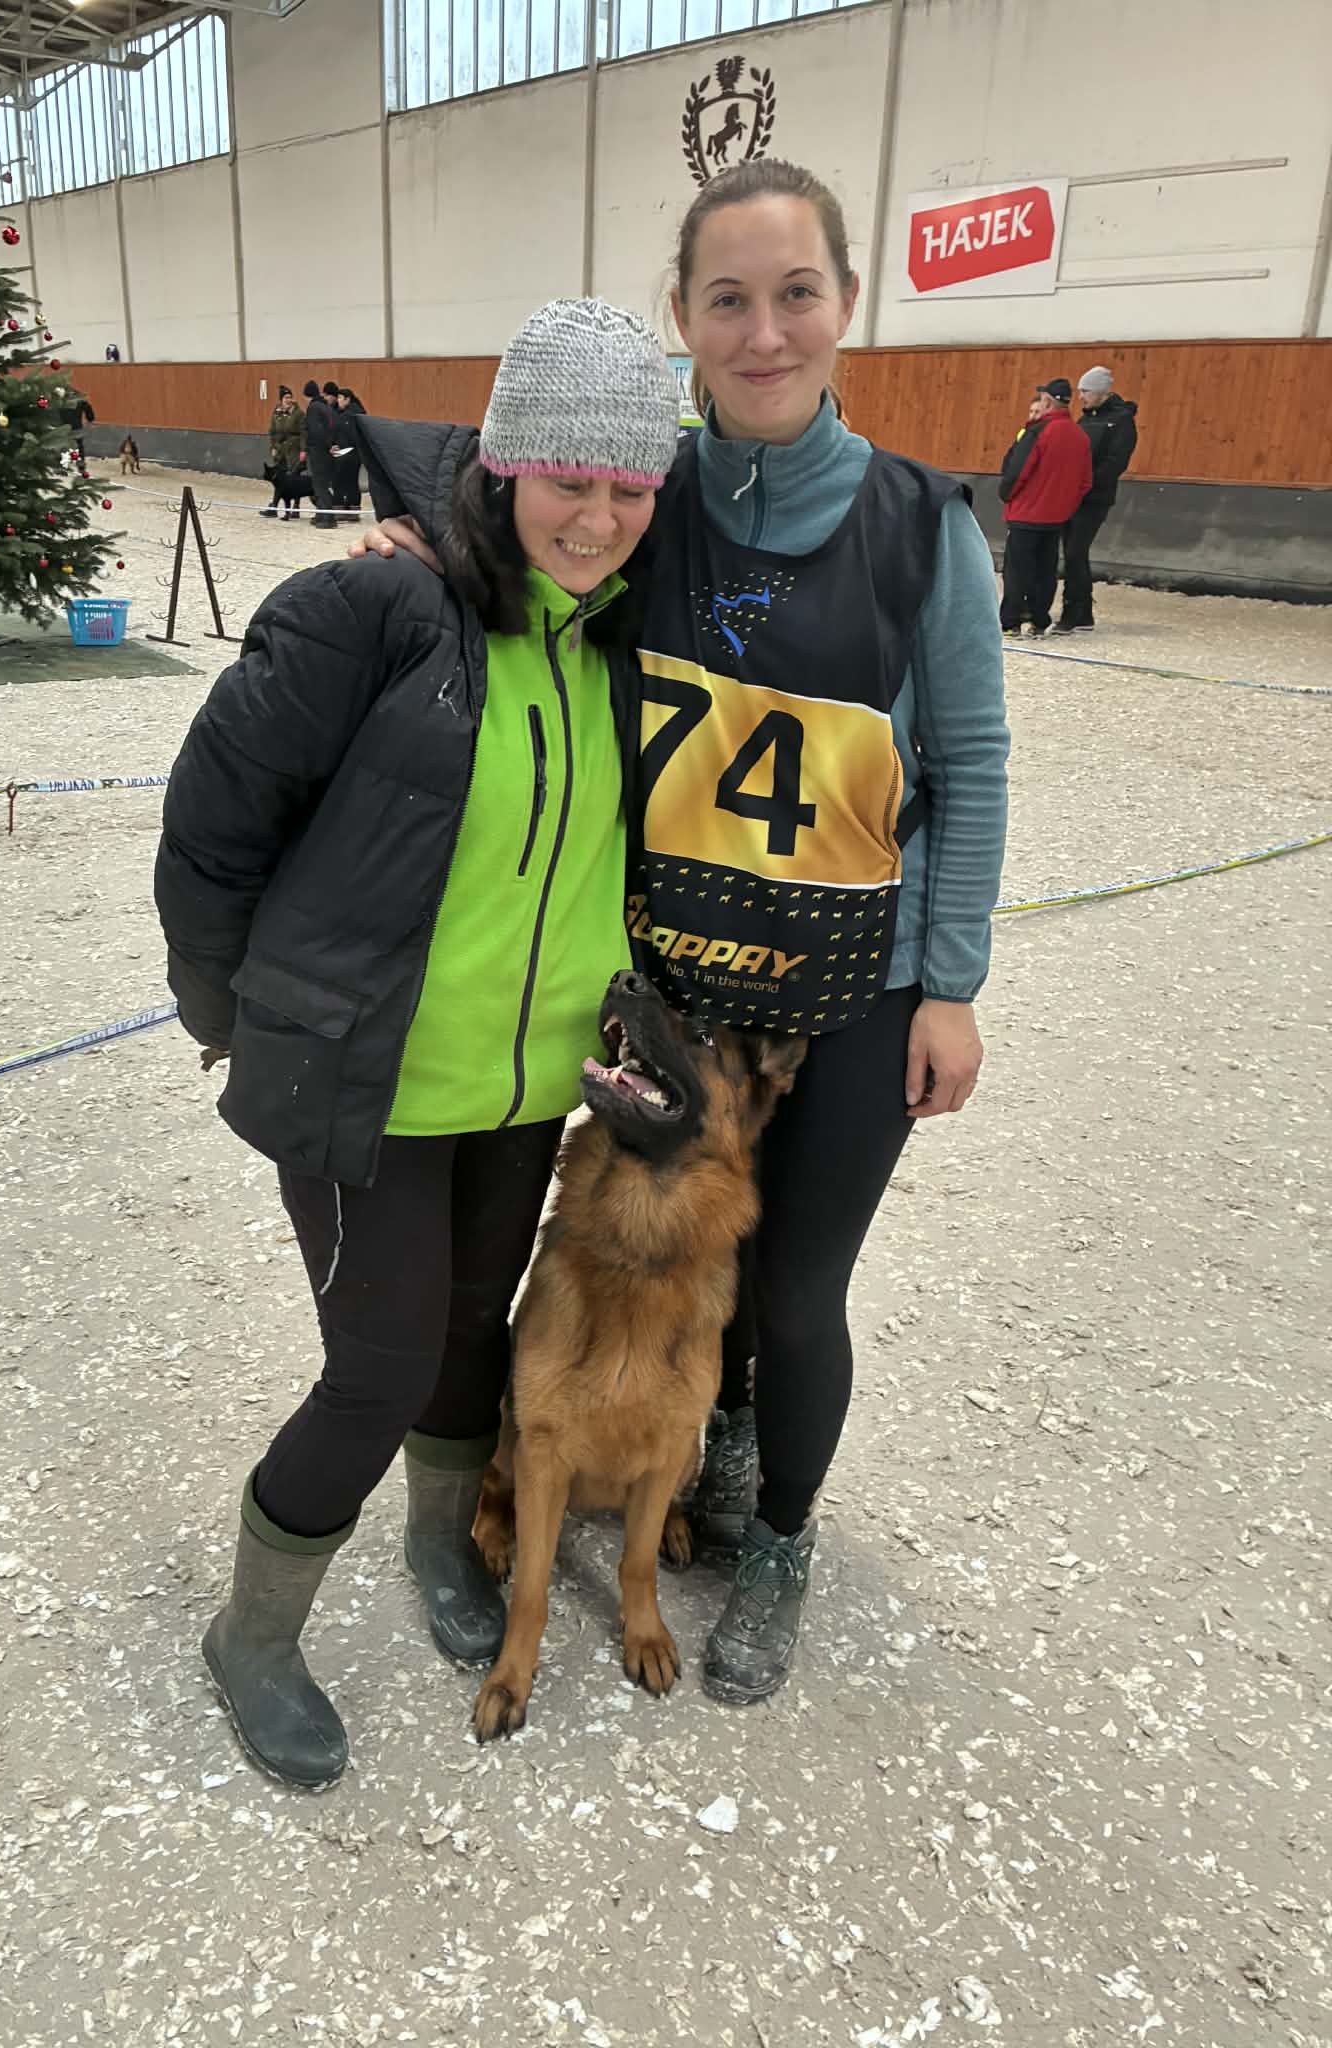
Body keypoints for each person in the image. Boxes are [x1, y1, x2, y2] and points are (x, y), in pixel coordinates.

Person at [359, 158, 1010, 1709]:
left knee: (795, 1286)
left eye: (795, 294)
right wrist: (412, 557)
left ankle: (776, 1533)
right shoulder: (648, 501)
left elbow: (973, 764)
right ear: (685, 317)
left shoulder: (925, 528)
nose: (764, 331)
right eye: (729, 299)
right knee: (618, 1254)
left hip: (852, 989)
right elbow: (524, 549)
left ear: (846, 304)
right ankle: (641, 1447)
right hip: (670, 979)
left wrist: (954, 985)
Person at [154, 299, 679, 1788]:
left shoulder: (620, 640)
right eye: (566, 477)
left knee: (469, 1335)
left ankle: (439, 1544)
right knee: (376, 1369)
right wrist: (239, 1019)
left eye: (629, 485)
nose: (596, 517)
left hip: (522, 1091)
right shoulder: (376, 609)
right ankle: (254, 1634)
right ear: (503, 465)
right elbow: (210, 833)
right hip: (366, 1089)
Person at [997, 377, 1092, 637]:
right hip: (1055, 517)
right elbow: (1085, 481)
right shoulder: (1080, 436)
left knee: (1017, 569)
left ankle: (1011, 621)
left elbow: (1018, 471)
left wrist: (1007, 495)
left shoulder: (1038, 432)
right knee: (1045, 570)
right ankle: (1039, 620)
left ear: (1047, 401)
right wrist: (1066, 506)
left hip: (1026, 513)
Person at [1055, 366, 1138, 634]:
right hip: (1072, 495)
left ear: (1102, 392)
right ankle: (1083, 614)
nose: (1081, 396)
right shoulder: (1085, 419)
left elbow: (1115, 462)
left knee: (1075, 552)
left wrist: (1086, 485)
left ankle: (1071, 611)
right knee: (1073, 553)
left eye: (1086, 391)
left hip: (1095, 498)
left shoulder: (1121, 421)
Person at [260, 384, 304, 519]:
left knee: (294, 479)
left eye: (290, 397)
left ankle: (295, 507)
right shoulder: (277, 413)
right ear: (281, 399)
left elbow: (303, 433)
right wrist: (273, 446)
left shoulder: (298, 413)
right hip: (280, 450)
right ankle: (274, 507)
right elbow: (272, 431)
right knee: (279, 480)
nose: (288, 400)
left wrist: (303, 450)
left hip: (293, 449)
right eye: (285, 397)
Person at [300, 379, 337, 529]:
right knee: (322, 484)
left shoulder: (313, 408)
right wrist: (332, 444)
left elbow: (316, 431)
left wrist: (324, 445)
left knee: (320, 485)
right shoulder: (325, 406)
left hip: (318, 451)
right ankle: (321, 514)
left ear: (306, 395)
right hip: (326, 452)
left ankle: (328, 518)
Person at [330, 386, 367, 517]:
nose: (338, 400)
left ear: (347, 399)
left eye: (340, 398)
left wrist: (336, 445)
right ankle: (353, 510)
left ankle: (339, 509)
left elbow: (346, 435)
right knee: (352, 482)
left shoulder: (348, 415)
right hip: (356, 454)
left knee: (339, 481)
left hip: (345, 452)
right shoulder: (359, 413)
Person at [63, 390, 96, 477]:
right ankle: (81, 467)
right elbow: (88, 407)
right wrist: (90, 419)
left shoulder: (61, 400)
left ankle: (63, 466)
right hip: (76, 427)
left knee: (62, 446)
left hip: (62, 427)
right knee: (79, 447)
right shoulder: (79, 400)